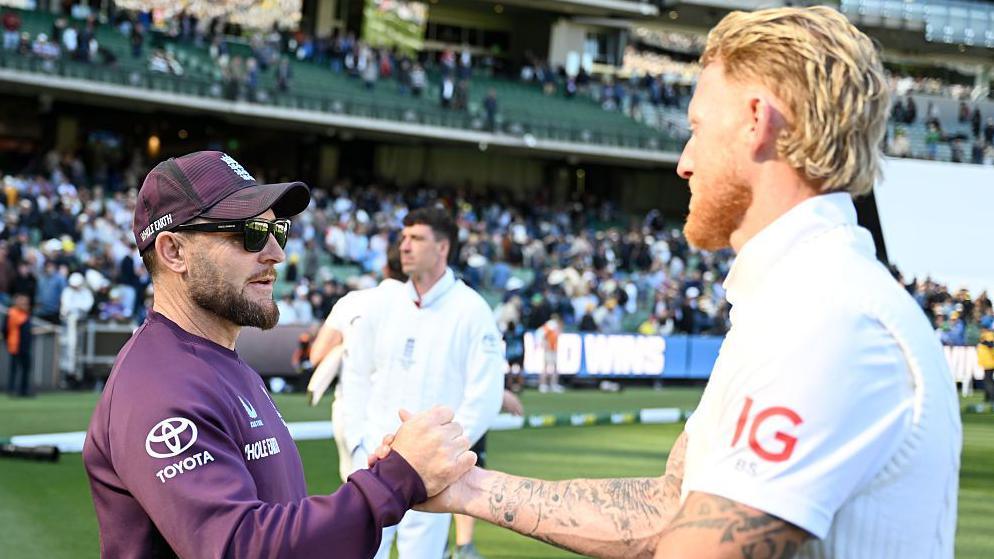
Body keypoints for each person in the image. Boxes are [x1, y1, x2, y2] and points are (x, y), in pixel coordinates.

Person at [372, 8, 962, 558]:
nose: (683, 161)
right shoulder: (796, 300)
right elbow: (669, 509)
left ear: (757, 121)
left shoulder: (826, 316)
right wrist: (465, 487)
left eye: (698, 128)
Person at [82, 151, 477, 558]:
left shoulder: (219, 364)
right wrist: (395, 480)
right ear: (173, 252)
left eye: (278, 231)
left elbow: (278, 521)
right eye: (250, 233)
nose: (276, 253)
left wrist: (384, 475)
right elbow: (241, 546)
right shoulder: (160, 387)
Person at [342, 206, 506, 559]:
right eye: (403, 237)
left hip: (431, 469)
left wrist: (445, 453)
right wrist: (356, 443)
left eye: (416, 238)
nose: (404, 246)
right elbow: (355, 374)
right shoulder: (382, 302)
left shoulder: (472, 311)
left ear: (443, 248)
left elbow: (486, 395)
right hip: (374, 460)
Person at [307, 244, 408, 482]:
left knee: (358, 497)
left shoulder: (353, 301)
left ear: (385, 268)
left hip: (351, 411)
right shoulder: (423, 310)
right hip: (401, 413)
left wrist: (347, 346)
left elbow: (317, 354)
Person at [4, 293, 33, 397]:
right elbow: (6, 330)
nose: (25, 304)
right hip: (16, 345)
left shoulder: (25, 314)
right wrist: (8, 341)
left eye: (26, 302)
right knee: (14, 369)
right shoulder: (13, 313)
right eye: (22, 302)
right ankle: (11, 390)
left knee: (26, 369)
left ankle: (23, 390)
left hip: (25, 346)